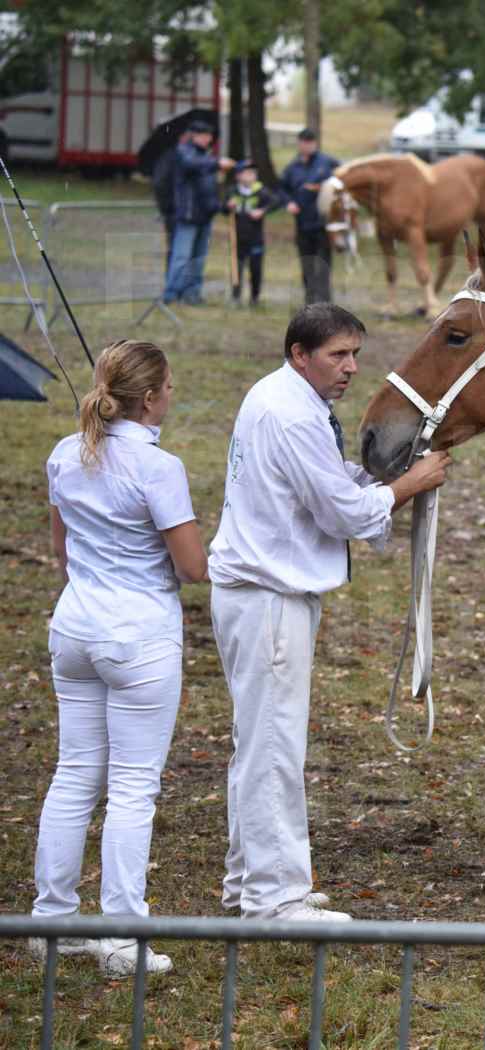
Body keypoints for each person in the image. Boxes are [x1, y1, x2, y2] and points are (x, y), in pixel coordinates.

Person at [208, 304, 451, 921]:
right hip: (269, 596)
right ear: (299, 354)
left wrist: (371, 479)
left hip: (260, 592)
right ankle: (274, 899)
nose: (350, 368)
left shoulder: (282, 398)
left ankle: (253, 880)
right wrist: (409, 486)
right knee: (272, 748)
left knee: (256, 744)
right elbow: (340, 514)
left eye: (355, 355)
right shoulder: (290, 413)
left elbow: (319, 483)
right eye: (338, 355)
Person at [32, 341, 208, 978]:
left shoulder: (63, 452)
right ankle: (121, 934)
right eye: (169, 388)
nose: (172, 396)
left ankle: (51, 920)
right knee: (134, 788)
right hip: (138, 636)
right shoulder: (160, 467)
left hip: (75, 626)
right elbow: (191, 567)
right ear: (151, 397)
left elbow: (64, 550)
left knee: (74, 773)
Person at [161, 120, 235, 306]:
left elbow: (209, 188)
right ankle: (171, 294)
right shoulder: (183, 152)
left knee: (198, 258)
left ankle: (192, 294)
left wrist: (219, 206)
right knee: (181, 256)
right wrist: (218, 163)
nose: (207, 139)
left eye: (209, 136)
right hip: (188, 215)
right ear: (194, 135)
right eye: (204, 136)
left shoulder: (207, 157)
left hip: (205, 216)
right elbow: (192, 164)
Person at [279, 129, 340, 305]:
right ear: (299, 144)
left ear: (315, 143)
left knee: (323, 263)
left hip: (323, 223)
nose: (307, 146)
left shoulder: (327, 162)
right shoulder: (292, 168)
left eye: (310, 142)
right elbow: (282, 189)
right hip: (302, 223)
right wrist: (288, 202)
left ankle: (325, 301)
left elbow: (343, 178)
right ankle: (310, 301)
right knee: (306, 263)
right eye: (304, 142)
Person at [225, 160, 280, 306]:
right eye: (247, 173)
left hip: (255, 237)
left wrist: (262, 211)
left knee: (256, 268)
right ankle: (236, 295)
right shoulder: (232, 191)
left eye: (253, 173)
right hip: (236, 238)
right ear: (238, 176)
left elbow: (275, 202)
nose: (251, 176)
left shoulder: (261, 191)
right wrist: (227, 206)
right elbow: (223, 209)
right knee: (236, 267)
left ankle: (255, 297)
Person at [151, 129, 191, 269]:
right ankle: (172, 283)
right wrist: (168, 207)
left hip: (191, 212)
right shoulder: (171, 156)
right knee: (176, 249)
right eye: (189, 134)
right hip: (175, 211)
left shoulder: (190, 156)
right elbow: (160, 183)